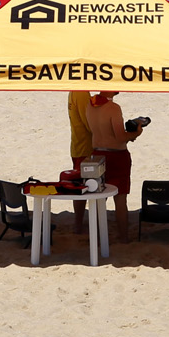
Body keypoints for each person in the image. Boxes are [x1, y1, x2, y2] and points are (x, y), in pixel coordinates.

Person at [87, 90, 147, 226]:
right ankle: (124, 238)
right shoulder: (113, 108)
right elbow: (120, 137)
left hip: (97, 154)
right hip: (117, 156)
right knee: (120, 199)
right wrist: (136, 133)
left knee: (98, 199)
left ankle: (96, 237)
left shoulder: (90, 104)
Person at [66, 89, 93, 234]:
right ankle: (79, 224)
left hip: (78, 146)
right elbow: (89, 123)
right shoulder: (81, 92)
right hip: (84, 148)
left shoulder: (74, 91)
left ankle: (79, 223)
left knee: (80, 186)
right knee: (84, 187)